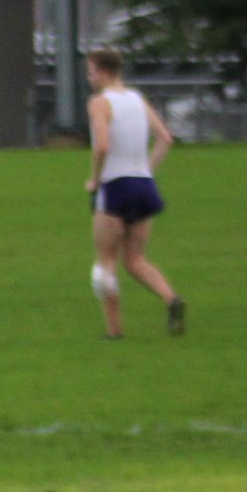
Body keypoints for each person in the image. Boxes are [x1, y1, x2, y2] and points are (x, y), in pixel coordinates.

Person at [85, 49, 185, 340]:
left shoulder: (99, 102)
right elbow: (165, 139)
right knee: (135, 259)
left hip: (115, 186)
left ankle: (114, 330)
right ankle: (171, 299)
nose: (89, 77)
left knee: (106, 261)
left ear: (103, 72)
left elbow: (102, 146)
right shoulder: (137, 99)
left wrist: (95, 179)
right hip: (143, 186)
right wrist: (146, 169)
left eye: (91, 71)